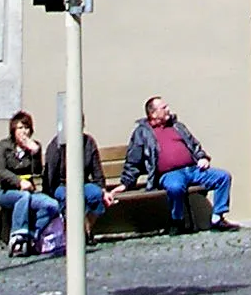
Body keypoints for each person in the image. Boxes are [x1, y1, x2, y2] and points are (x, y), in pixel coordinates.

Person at [121, 95, 233, 230]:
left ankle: (217, 218)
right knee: (175, 187)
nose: (168, 110)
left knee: (223, 177)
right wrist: (126, 183)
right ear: (153, 113)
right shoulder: (142, 133)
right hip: (170, 174)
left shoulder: (177, 126)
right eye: (164, 107)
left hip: (193, 170)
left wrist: (202, 157)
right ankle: (177, 221)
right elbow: (133, 160)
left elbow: (194, 145)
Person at [0, 109, 60, 256]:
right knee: (23, 197)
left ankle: (32, 234)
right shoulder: (4, 146)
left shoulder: (34, 146)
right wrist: (19, 182)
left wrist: (35, 153)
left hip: (28, 192)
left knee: (52, 205)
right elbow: (2, 171)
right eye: (20, 128)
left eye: (26, 128)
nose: (24, 132)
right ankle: (17, 237)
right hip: (6, 192)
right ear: (13, 130)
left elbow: (36, 172)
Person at [43, 124, 108, 238]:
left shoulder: (88, 142)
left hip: (83, 183)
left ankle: (86, 229)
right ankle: (78, 234)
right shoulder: (57, 145)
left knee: (96, 194)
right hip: (62, 185)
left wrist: (103, 189)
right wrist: (49, 193)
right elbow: (50, 174)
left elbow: (96, 170)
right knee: (68, 197)